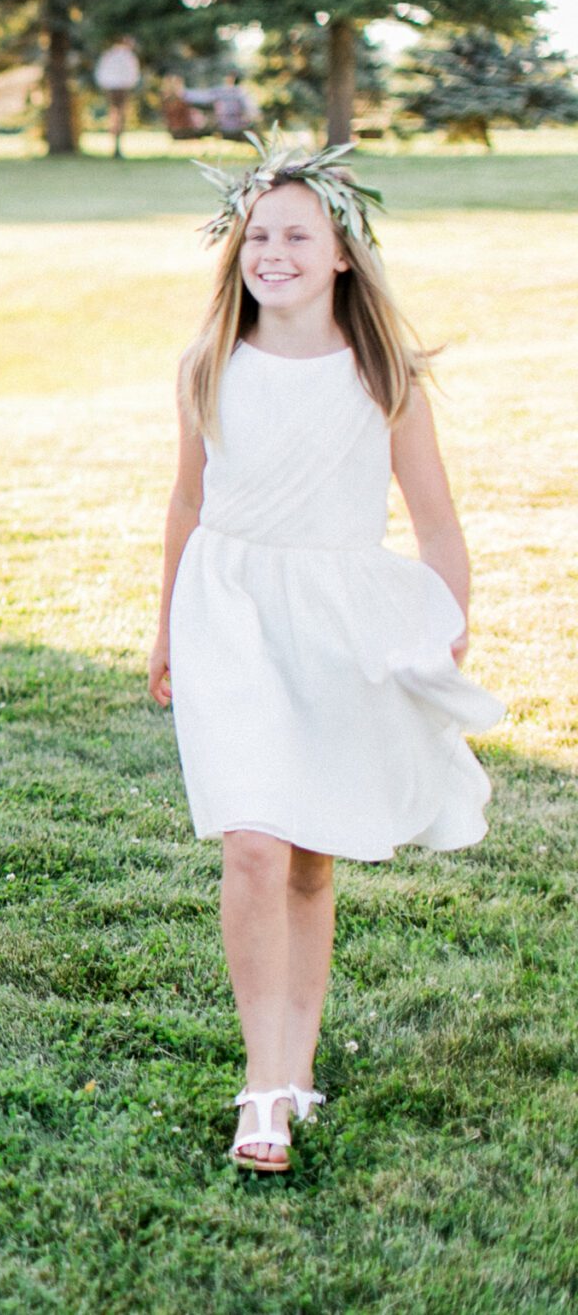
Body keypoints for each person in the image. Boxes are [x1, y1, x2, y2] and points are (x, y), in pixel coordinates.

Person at [149, 138, 497, 1173]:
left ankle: (295, 1060)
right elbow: (187, 501)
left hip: (337, 618)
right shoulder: (210, 364)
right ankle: (261, 1085)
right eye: (258, 234)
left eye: (297, 234)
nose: (274, 251)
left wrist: (442, 624)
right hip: (230, 609)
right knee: (252, 841)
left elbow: (436, 525)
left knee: (307, 855)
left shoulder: (379, 376)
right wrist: (165, 621)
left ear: (343, 252)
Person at [94, 36, 143, 157]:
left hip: (113, 87)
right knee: (119, 115)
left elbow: (100, 74)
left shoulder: (109, 54)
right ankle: (116, 144)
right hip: (120, 87)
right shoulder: (127, 56)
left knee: (115, 114)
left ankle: (116, 144)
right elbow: (133, 75)